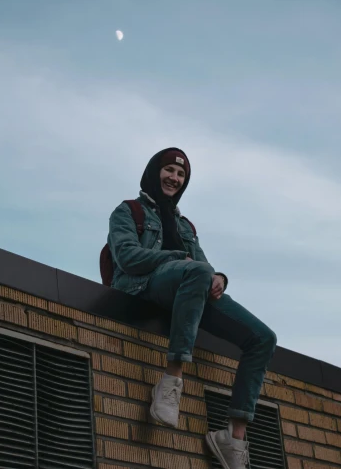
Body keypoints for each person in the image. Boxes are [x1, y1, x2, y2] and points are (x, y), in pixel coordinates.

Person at [107, 147, 278, 469]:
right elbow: (128, 257)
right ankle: (171, 381)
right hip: (144, 287)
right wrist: (179, 261)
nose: (174, 178)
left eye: (181, 174)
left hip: (191, 288)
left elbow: (204, 266)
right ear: (154, 172)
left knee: (263, 338)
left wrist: (220, 278)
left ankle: (234, 437)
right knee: (197, 271)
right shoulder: (129, 211)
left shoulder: (185, 224)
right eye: (169, 170)